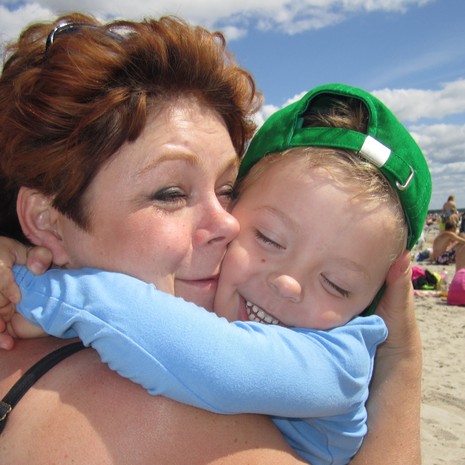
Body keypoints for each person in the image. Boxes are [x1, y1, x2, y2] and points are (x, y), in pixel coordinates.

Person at [0, 13, 422, 465]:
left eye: (227, 190)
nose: (227, 224)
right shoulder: (164, 421)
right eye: (171, 193)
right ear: (47, 221)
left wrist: (31, 285)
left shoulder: (330, 360)